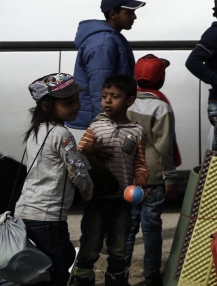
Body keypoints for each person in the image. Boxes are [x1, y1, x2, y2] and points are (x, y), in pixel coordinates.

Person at [14, 73, 94, 286]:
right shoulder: (62, 134)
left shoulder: (35, 131)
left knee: (38, 269)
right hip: (48, 218)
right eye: (69, 102)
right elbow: (77, 172)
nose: (76, 106)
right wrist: (89, 194)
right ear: (46, 106)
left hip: (25, 212)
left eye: (77, 100)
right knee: (58, 270)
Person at [73, 74, 148, 286]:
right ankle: (82, 277)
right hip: (96, 198)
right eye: (104, 96)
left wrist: (141, 183)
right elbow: (78, 153)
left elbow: (141, 163)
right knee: (91, 243)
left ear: (129, 100)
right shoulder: (96, 127)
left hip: (121, 201)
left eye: (114, 96)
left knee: (119, 247)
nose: (107, 100)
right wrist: (91, 148)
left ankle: (116, 280)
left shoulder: (137, 131)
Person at [124, 55, 180, 286]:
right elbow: (164, 146)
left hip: (128, 178)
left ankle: (119, 273)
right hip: (154, 179)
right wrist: (170, 178)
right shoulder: (160, 107)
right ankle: (150, 276)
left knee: (127, 230)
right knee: (151, 230)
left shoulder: (125, 102)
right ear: (161, 79)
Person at [71, 0, 144, 129]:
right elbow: (100, 89)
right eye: (128, 13)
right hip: (99, 124)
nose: (134, 17)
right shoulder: (103, 42)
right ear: (113, 14)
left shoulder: (111, 37)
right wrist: (105, 127)